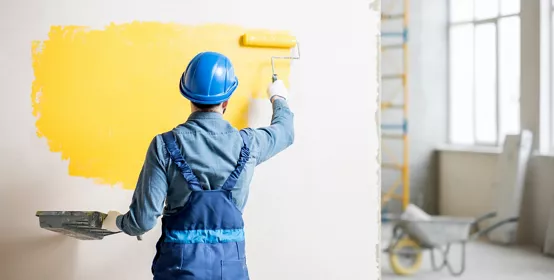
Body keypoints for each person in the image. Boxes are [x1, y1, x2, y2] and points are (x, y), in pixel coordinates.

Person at [101, 51, 294, 279]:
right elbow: (285, 133)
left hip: (179, 271)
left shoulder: (164, 145)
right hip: (230, 271)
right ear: (226, 101)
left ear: (187, 95)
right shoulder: (249, 144)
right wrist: (278, 97)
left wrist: (115, 221)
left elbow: (142, 221)